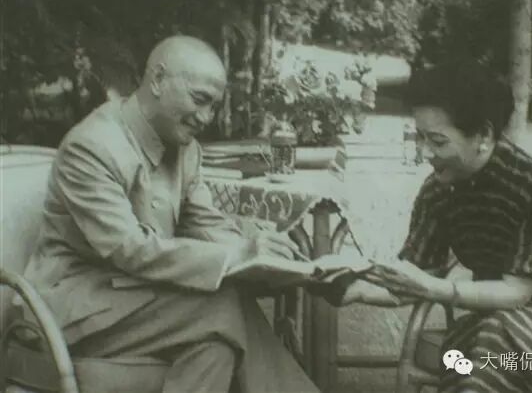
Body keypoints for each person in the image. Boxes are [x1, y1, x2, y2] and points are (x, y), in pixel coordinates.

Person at [20, 35, 319, 393]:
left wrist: (266, 256)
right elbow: (130, 249)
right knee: (223, 307)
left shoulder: (186, 149)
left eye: (214, 106)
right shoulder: (92, 146)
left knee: (215, 348)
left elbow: (205, 225)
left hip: (142, 301)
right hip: (72, 310)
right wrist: (238, 255)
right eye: (199, 100)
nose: (206, 117)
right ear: (158, 80)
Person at [333, 59, 532, 392]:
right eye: (419, 137)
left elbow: (516, 293)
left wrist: (435, 288)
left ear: (484, 135)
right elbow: (414, 277)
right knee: (462, 346)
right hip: (509, 315)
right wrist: (351, 285)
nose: (424, 152)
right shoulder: (438, 191)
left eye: (437, 141)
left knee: (501, 334)